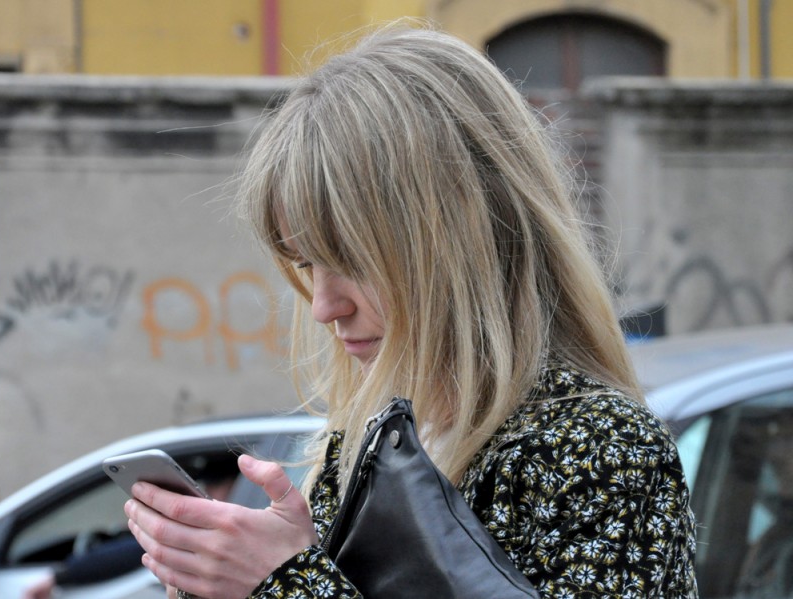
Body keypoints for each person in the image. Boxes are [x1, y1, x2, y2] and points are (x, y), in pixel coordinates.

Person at [124, 22, 699, 599]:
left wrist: (284, 584)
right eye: (305, 265)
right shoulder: (365, 440)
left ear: (460, 240)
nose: (324, 307)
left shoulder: (601, 449)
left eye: (353, 258)